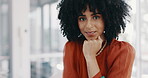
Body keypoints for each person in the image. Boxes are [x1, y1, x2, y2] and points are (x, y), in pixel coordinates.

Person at [57, 0, 135, 78]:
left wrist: (90, 57)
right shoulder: (72, 47)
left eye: (95, 17)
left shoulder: (123, 50)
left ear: (107, 18)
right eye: (82, 19)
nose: (88, 26)